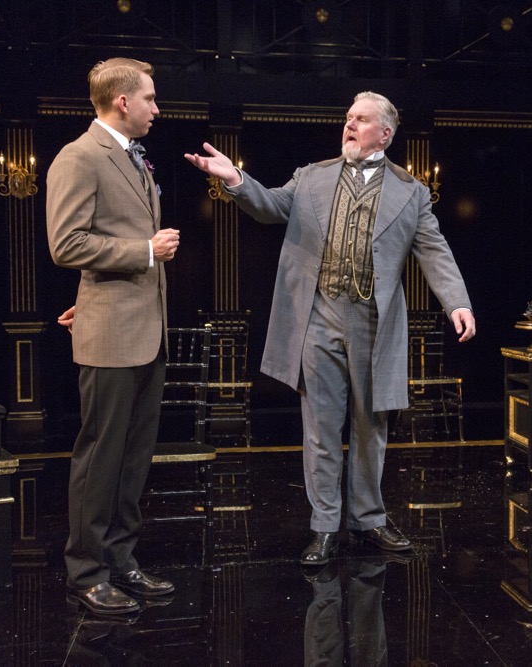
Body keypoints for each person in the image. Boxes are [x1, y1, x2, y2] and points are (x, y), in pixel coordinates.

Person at [184, 91, 476, 566]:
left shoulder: (411, 191)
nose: (349, 126)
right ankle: (324, 526)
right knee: (320, 428)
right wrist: (236, 179)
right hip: (318, 318)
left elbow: (434, 250)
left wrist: (457, 302)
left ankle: (369, 518)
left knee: (370, 428)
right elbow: (271, 206)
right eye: (347, 118)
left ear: (385, 133)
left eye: (360, 121)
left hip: (375, 324)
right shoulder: (312, 176)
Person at [47, 57, 180, 615]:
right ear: (122, 101)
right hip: (112, 338)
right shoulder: (80, 157)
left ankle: (122, 559)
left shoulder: (133, 157)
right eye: (149, 98)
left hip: (144, 331)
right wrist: (144, 251)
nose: (156, 107)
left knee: (133, 457)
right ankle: (86, 570)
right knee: (101, 456)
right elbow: (67, 243)